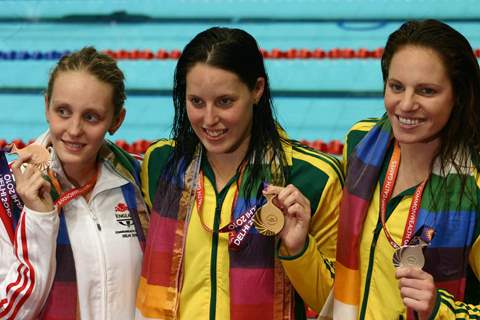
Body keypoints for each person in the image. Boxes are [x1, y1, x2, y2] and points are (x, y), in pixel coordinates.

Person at [135, 27, 343, 320]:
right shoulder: (161, 164)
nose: (209, 120)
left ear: (257, 89)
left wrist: (298, 248)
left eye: (225, 102)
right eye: (196, 102)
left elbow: (336, 307)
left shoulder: (313, 177)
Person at [330, 20, 480, 319]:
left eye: (426, 91)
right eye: (396, 87)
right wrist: (296, 249)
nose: (406, 104)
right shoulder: (361, 145)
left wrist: (440, 310)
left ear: (458, 96)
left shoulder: (474, 185)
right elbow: (335, 287)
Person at [0, 47, 149, 319]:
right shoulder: (7, 193)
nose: (74, 129)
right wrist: (38, 220)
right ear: (46, 107)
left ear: (116, 120)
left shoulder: (141, 180)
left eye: (91, 116)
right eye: (63, 111)